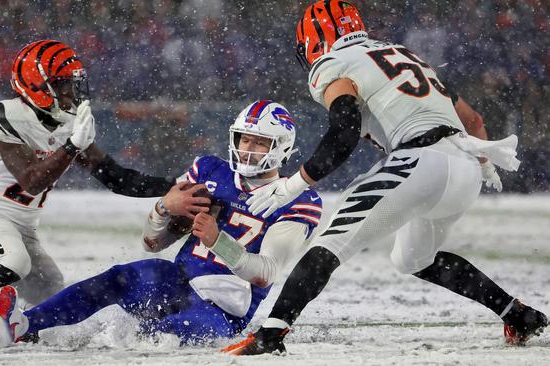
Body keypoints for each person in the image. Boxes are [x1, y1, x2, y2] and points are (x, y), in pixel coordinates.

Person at [222, 1, 547, 355]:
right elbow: (472, 120)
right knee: (413, 259)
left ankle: (271, 334)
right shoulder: (401, 52)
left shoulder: (333, 64)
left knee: (330, 243)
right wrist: (483, 162)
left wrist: (293, 184)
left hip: (421, 161)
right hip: (465, 168)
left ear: (313, 41)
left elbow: (343, 131)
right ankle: (517, 314)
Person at [0, 40, 205, 349]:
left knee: (47, 302)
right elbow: (31, 180)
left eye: (73, 84)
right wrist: (71, 146)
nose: (71, 93)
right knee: (12, 261)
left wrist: (176, 182)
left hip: (23, 229)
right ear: (36, 84)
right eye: (62, 84)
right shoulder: (2, 113)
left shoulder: (67, 122)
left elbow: (116, 178)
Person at [0, 100, 323, 347]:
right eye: (244, 139)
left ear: (282, 147)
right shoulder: (209, 170)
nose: (248, 149)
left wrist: (218, 241)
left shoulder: (300, 200)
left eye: (260, 142)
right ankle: (25, 324)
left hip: (223, 308)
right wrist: (163, 208)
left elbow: (266, 272)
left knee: (158, 339)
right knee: (117, 278)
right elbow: (151, 243)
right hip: (176, 280)